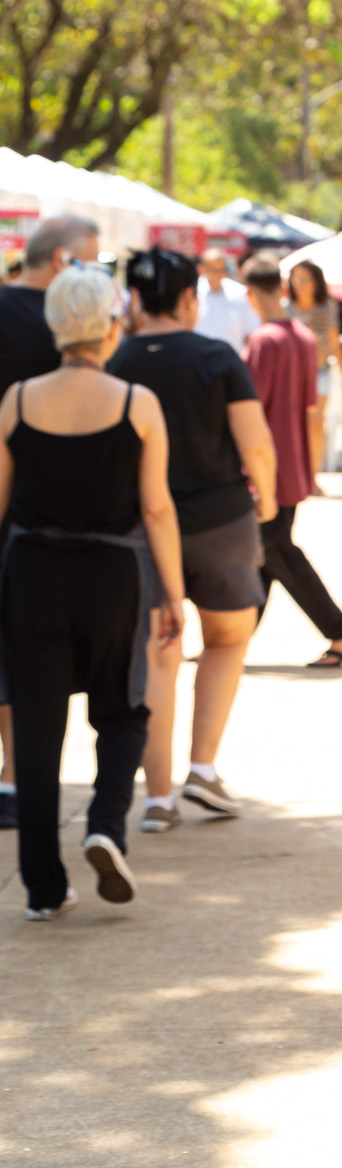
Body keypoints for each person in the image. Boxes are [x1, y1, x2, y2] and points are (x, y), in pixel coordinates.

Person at [0, 266, 185, 918]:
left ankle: (43, 889)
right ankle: (106, 822)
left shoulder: (17, 401)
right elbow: (157, 509)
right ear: (111, 326)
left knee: (37, 728)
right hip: (112, 575)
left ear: (55, 325)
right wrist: (174, 594)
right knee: (123, 708)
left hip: (32, 573)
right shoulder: (138, 403)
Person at [110, 249, 276, 829]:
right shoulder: (217, 356)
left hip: (141, 528)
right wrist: (271, 499)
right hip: (222, 520)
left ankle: (157, 799)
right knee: (228, 638)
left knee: (160, 651)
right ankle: (202, 767)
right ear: (190, 298)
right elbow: (255, 442)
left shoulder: (116, 361)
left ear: (133, 298)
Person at [0, 212, 100, 832]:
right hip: (46, 513)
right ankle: (15, 779)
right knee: (24, 654)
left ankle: (13, 780)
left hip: (21, 507)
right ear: (63, 261)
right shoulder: (71, 328)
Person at [241, 256, 342, 666]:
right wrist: (309, 470)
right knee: (266, 557)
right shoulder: (305, 338)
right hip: (291, 464)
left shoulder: (263, 341)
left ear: (251, 292)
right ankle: (231, 640)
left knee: (276, 552)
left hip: (265, 468)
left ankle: (339, 629)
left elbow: (247, 411)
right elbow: (312, 412)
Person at [287, 260, 342, 474]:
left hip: (320, 371)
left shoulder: (327, 306)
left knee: (315, 423)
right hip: (291, 374)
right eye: (296, 279)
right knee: (293, 424)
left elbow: (334, 342)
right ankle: (296, 473)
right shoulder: (286, 308)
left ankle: (313, 474)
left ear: (316, 282)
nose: (300, 284)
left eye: (305, 279)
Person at [196, 248, 259, 356]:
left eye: (221, 270)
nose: (219, 275)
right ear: (202, 269)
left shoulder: (239, 293)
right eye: (214, 270)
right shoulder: (192, 294)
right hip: (199, 363)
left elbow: (251, 332)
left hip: (232, 363)